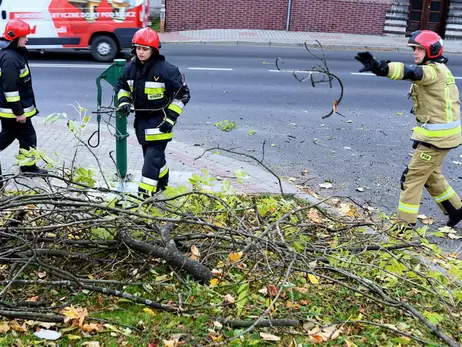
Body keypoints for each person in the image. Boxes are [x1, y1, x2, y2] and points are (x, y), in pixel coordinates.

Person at [355, 30, 462, 230]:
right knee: (430, 175)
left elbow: (411, 72)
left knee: (411, 178)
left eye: (420, 48)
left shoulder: (432, 71)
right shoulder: (439, 69)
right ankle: (456, 209)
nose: (415, 52)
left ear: (432, 50)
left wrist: (381, 68)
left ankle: (404, 226)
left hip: (437, 140)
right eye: (414, 48)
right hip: (441, 137)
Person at [116, 27, 190, 196]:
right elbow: (122, 87)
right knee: (154, 159)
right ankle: (163, 183)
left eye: (145, 49)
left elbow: (183, 95)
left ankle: (145, 196)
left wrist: (170, 120)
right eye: (138, 48)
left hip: (160, 123)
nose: (140, 52)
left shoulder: (167, 70)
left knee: (150, 161)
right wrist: (124, 101)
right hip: (141, 122)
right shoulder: (130, 68)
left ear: (154, 50)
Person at [0, 19, 47, 180]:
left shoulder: (13, 53)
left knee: (17, 136)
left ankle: (28, 167)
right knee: (25, 137)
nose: (27, 39)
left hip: (12, 110)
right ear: (14, 38)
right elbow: (10, 89)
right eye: (24, 36)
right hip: (12, 111)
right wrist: (19, 112)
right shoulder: (10, 59)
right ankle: (28, 168)